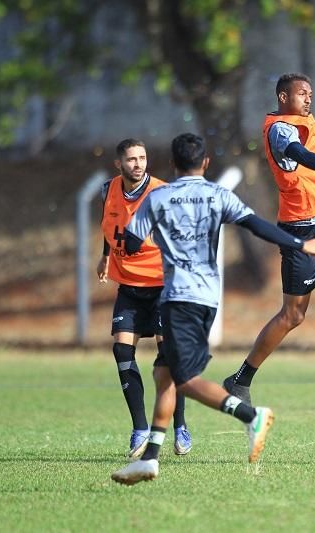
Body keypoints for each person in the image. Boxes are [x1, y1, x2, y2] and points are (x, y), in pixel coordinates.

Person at [110, 133, 315, 485]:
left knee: (185, 380)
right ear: (205, 163)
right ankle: (149, 458)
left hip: (179, 297)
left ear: (172, 165)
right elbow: (255, 225)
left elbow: (131, 242)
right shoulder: (218, 195)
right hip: (208, 297)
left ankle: (251, 416)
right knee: (164, 374)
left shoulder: (157, 197)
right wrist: (300, 243)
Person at [222, 72, 315, 404]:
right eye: (302, 94)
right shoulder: (280, 128)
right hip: (303, 228)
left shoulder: (307, 121)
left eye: (310, 93)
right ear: (283, 98)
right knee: (293, 314)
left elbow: (314, 176)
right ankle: (240, 379)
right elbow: (302, 157)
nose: (309, 98)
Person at [97, 138, 191, 459]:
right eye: (132, 159)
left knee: (168, 359)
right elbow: (112, 226)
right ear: (118, 164)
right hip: (129, 287)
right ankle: (140, 428)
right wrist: (105, 256)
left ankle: (180, 425)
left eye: (143, 158)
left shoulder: (163, 193)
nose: (138, 164)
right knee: (122, 351)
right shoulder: (108, 190)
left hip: (162, 286)